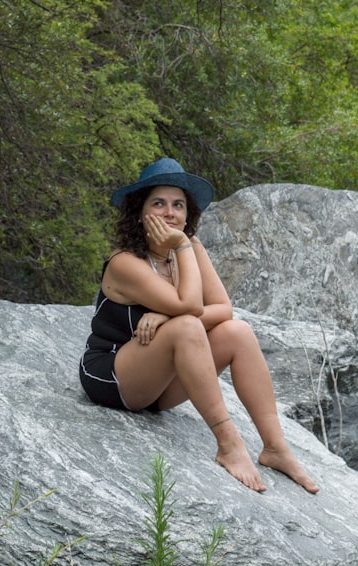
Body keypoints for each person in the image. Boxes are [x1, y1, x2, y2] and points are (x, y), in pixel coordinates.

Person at [79, 158, 319, 494]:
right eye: (158, 204)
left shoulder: (189, 248)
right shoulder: (125, 262)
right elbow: (191, 308)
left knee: (238, 332)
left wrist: (166, 315)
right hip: (113, 376)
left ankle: (275, 448)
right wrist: (180, 254)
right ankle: (229, 444)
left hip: (158, 384)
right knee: (188, 328)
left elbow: (223, 309)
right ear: (139, 212)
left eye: (178, 205)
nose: (170, 213)